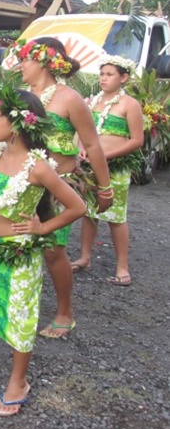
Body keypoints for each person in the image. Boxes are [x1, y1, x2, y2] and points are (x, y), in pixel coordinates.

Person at [0, 83, 85, 417]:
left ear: (18, 124)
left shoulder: (37, 165)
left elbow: (76, 206)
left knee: (20, 316)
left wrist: (42, 228)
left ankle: (18, 381)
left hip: (20, 253)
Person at [14, 37, 112, 338]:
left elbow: (93, 144)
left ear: (44, 60)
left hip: (58, 189)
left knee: (54, 252)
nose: (21, 65)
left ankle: (64, 312)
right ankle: (17, 302)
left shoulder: (70, 99)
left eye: (25, 59)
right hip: (23, 184)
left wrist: (104, 188)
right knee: (19, 244)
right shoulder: (19, 97)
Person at [71, 55, 143, 285]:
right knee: (89, 211)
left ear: (124, 77)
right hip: (90, 166)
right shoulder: (93, 102)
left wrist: (104, 156)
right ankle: (85, 257)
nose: (103, 79)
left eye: (109, 74)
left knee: (115, 215)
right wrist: (81, 149)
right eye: (102, 74)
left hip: (115, 167)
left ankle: (122, 265)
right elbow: (84, 131)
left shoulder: (129, 104)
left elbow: (137, 140)